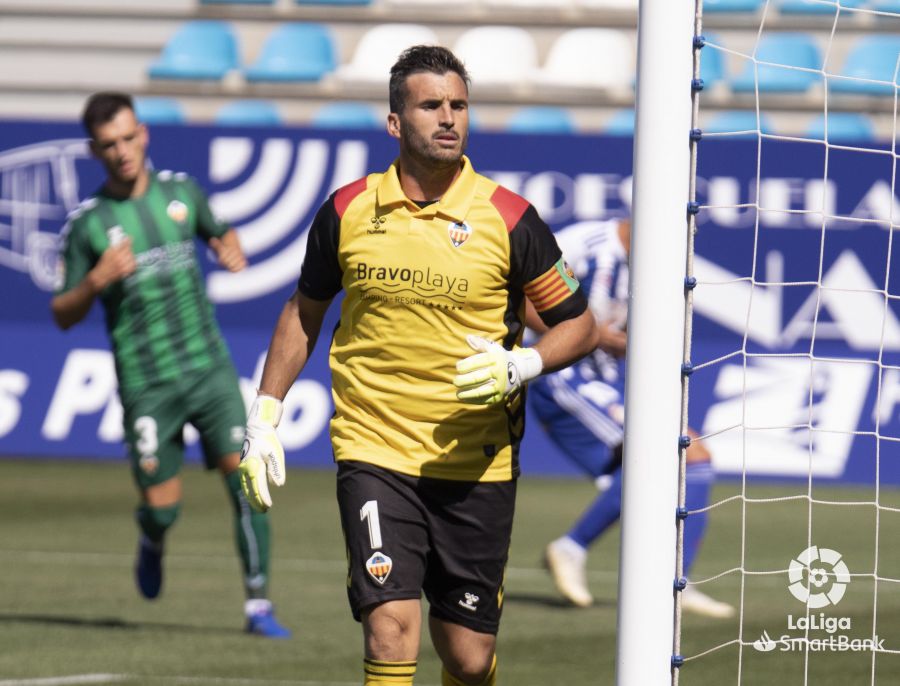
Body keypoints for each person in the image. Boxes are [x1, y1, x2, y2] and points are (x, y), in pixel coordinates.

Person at [237, 46, 596, 685]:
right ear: (395, 122)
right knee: (389, 627)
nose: (448, 117)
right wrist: (265, 416)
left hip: (476, 463)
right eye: (431, 105)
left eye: (459, 105)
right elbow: (303, 311)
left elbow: (579, 324)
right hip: (374, 451)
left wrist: (523, 365)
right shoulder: (347, 210)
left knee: (468, 658)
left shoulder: (510, 217)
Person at [51, 92, 290, 638]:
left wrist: (228, 247)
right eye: (108, 145)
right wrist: (95, 281)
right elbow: (62, 313)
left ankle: (258, 605)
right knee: (164, 508)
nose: (121, 152)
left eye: (127, 138)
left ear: (143, 135)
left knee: (246, 483)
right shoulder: (88, 225)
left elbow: (220, 230)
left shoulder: (182, 192)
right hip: (147, 385)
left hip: (209, 372)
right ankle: (152, 535)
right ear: (95, 151)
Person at [530, 218, 735, 619]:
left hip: (607, 379)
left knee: (680, 464)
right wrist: (591, 335)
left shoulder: (651, 264)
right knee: (685, 454)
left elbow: (621, 333)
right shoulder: (584, 243)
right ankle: (574, 547)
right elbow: (525, 301)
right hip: (564, 376)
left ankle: (675, 581)